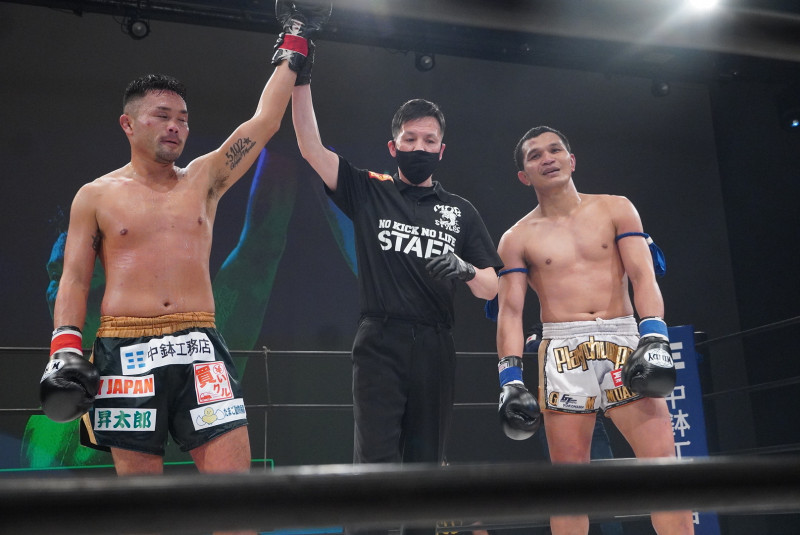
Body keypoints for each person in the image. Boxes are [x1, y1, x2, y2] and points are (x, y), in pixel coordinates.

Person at [39, 2, 330, 499]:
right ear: (129, 124)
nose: (175, 126)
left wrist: (295, 42)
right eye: (162, 116)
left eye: (183, 119)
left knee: (236, 498)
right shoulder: (95, 196)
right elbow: (75, 278)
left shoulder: (204, 179)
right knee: (145, 510)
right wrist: (64, 347)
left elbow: (263, 123)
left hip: (199, 347)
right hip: (125, 353)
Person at [291, 84, 503, 534]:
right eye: (410, 139)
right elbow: (310, 146)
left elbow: (491, 286)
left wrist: (465, 268)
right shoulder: (370, 189)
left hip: (435, 345)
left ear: (441, 150)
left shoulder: (461, 211)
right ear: (394, 146)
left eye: (429, 141)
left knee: (426, 467)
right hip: (380, 341)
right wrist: (300, 78)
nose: (419, 147)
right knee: (374, 463)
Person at [495, 126, 693, 534]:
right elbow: (510, 312)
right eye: (535, 155)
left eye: (555, 150)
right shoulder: (516, 238)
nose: (547, 158)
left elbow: (643, 276)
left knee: (663, 471)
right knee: (569, 487)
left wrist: (654, 335)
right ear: (523, 175)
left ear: (571, 160)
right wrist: (509, 379)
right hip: (561, 348)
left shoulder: (616, 208)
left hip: (623, 338)